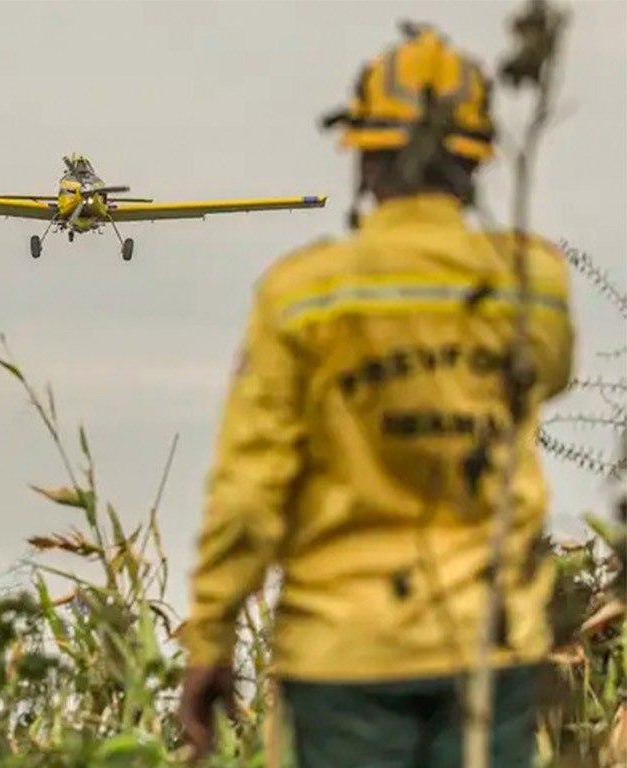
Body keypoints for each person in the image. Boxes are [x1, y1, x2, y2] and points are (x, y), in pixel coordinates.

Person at [177, 21, 576, 768]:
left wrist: (210, 638)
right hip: (490, 641)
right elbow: (551, 375)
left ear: (362, 157)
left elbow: (249, 486)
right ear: (476, 163)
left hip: (343, 650)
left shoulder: (300, 296)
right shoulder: (534, 284)